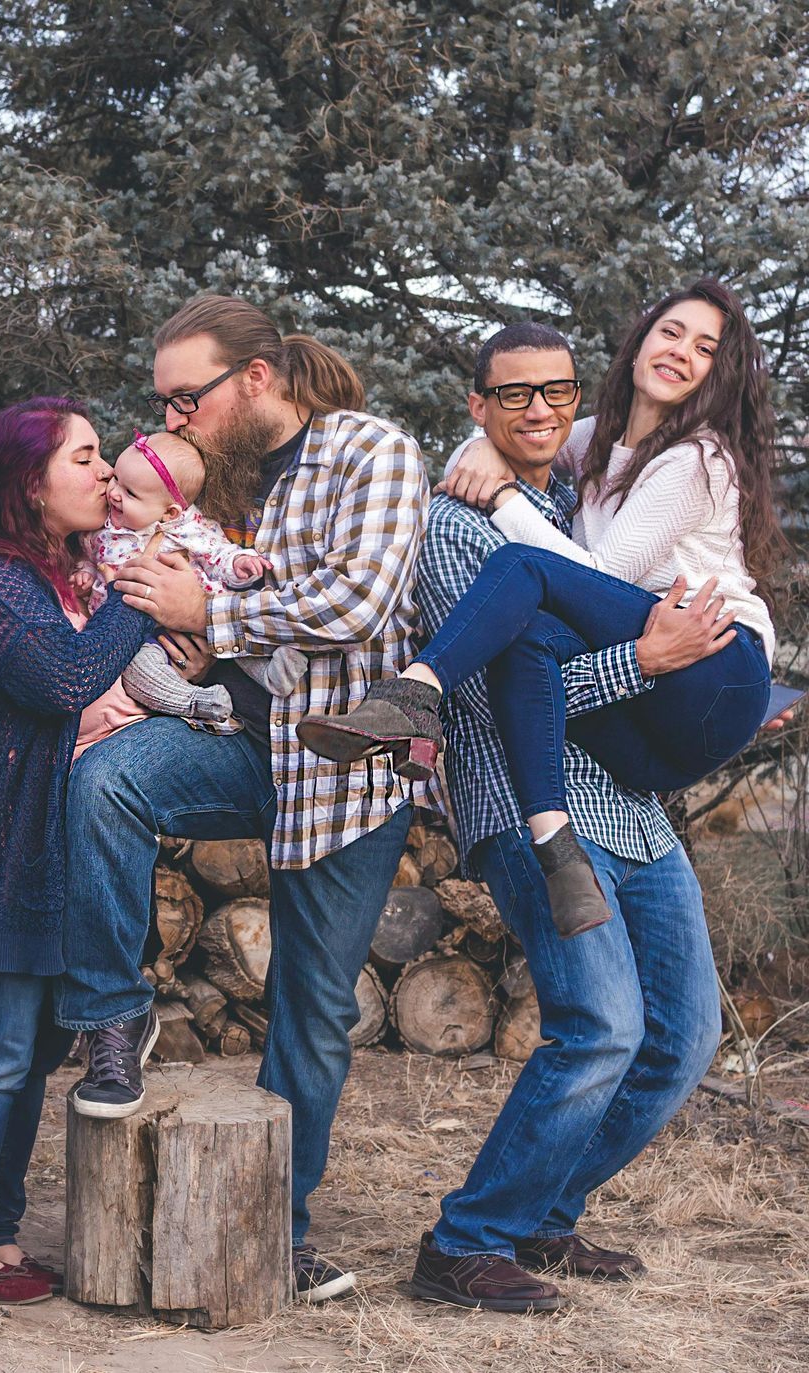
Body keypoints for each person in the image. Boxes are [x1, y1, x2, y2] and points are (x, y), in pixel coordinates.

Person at [60, 294, 428, 1301]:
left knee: (310, 1009)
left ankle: (279, 1232)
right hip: (239, 737)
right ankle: (110, 1015)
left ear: (255, 380)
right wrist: (159, 615)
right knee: (104, 781)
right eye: (165, 402)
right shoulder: (214, 478)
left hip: (343, 763)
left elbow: (363, 602)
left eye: (188, 397)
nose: (173, 419)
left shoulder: (370, 450)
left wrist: (210, 611)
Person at [401, 322, 734, 1312]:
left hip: (634, 813)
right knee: (599, 1026)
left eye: (557, 392)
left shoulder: (578, 511)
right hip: (527, 802)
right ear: (478, 406)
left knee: (684, 1037)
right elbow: (501, 693)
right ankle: (465, 1242)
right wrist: (651, 661)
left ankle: (547, 1209)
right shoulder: (458, 526)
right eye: (513, 396)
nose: (539, 411)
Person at [299, 280, 781, 938]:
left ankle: (413, 693)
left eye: (705, 348)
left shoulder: (697, 458)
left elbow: (599, 572)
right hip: (651, 738)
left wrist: (503, 502)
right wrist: (476, 450)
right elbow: (522, 436)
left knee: (520, 567)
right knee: (521, 636)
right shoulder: (599, 439)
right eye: (671, 332)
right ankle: (555, 841)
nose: (681, 352)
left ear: (715, 375)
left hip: (716, 663)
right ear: (638, 341)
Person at [0, 398, 164, 1304]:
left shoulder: (51, 574)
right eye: (87, 458)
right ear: (28, 478)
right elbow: (62, 676)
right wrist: (142, 590)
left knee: (30, 1056)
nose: (106, 474)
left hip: (41, 846)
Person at [85, 429, 307, 727]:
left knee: (232, 631)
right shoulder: (102, 527)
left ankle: (270, 673)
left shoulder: (184, 527)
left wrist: (238, 563)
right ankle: (196, 702)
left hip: (200, 612)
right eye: (116, 480)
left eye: (130, 493)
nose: (113, 492)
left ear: (169, 512)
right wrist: (83, 576)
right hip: (144, 637)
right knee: (138, 672)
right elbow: (92, 563)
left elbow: (216, 551)